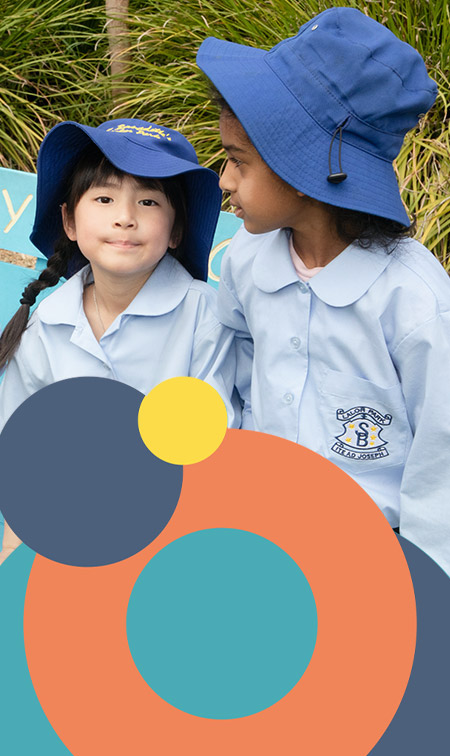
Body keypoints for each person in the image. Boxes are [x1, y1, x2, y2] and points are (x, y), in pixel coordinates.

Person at [197, 7, 450, 574]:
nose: (224, 180)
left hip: (368, 561)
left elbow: (441, 460)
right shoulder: (247, 258)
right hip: (256, 538)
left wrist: (428, 595)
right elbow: (230, 357)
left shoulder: (414, 303)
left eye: (238, 161)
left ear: (305, 168)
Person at [0, 118, 238, 563]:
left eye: (148, 201)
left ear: (176, 231)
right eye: (104, 198)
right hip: (64, 540)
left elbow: (216, 448)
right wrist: (14, 552)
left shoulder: (204, 316)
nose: (124, 217)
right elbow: (23, 460)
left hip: (174, 544)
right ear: (69, 220)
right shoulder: (48, 324)